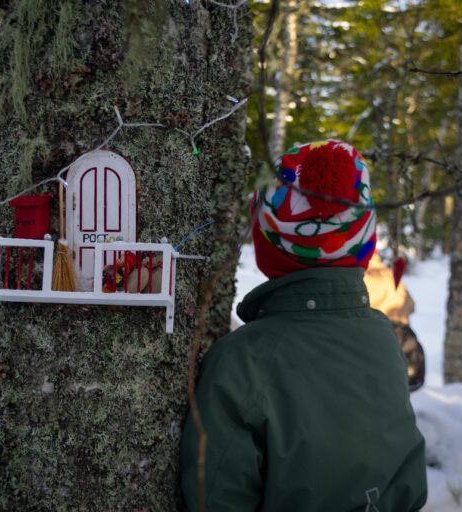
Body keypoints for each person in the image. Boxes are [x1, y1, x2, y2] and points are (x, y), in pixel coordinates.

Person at [180, 141, 427, 511]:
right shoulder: (385, 340)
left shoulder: (241, 362)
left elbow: (214, 497)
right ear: (365, 245)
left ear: (266, 244)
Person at [364, 254, 426, 391]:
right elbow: (411, 305)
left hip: (375, 339)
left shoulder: (361, 278)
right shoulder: (391, 274)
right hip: (403, 340)